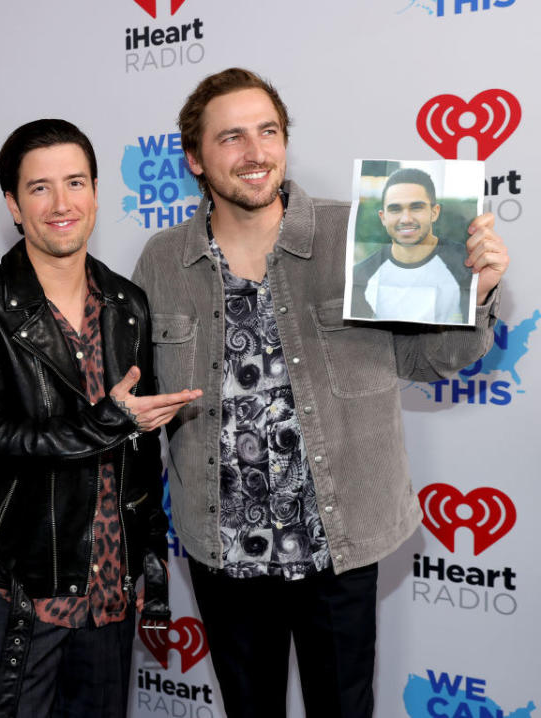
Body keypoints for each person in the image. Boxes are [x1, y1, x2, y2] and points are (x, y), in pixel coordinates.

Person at [132, 68, 509, 718]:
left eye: (268, 131)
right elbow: (139, 399)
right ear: (195, 157)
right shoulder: (163, 261)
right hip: (224, 553)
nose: (255, 152)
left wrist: (477, 293)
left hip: (338, 544)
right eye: (231, 137)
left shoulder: (358, 234)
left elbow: (429, 360)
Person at [0, 119, 201, 718]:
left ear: (97, 193)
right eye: (39, 188)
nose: (62, 204)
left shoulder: (127, 305)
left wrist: (152, 582)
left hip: (110, 595)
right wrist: (106, 422)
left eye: (75, 183)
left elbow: (142, 459)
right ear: (13, 204)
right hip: (20, 594)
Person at [350, 167, 471, 323]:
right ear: (383, 217)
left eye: (416, 207)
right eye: (395, 209)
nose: (406, 218)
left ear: (434, 212)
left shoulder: (466, 263)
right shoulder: (361, 275)